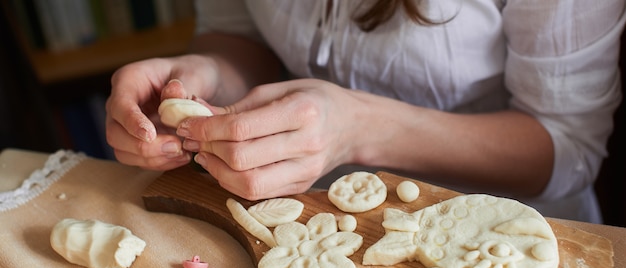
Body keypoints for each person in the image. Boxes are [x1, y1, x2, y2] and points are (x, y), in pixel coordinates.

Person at [105, 0, 625, 223]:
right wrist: (204, 73)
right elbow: (243, 35)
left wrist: (359, 128)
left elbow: (564, 145)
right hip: (312, 211)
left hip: (501, 230)